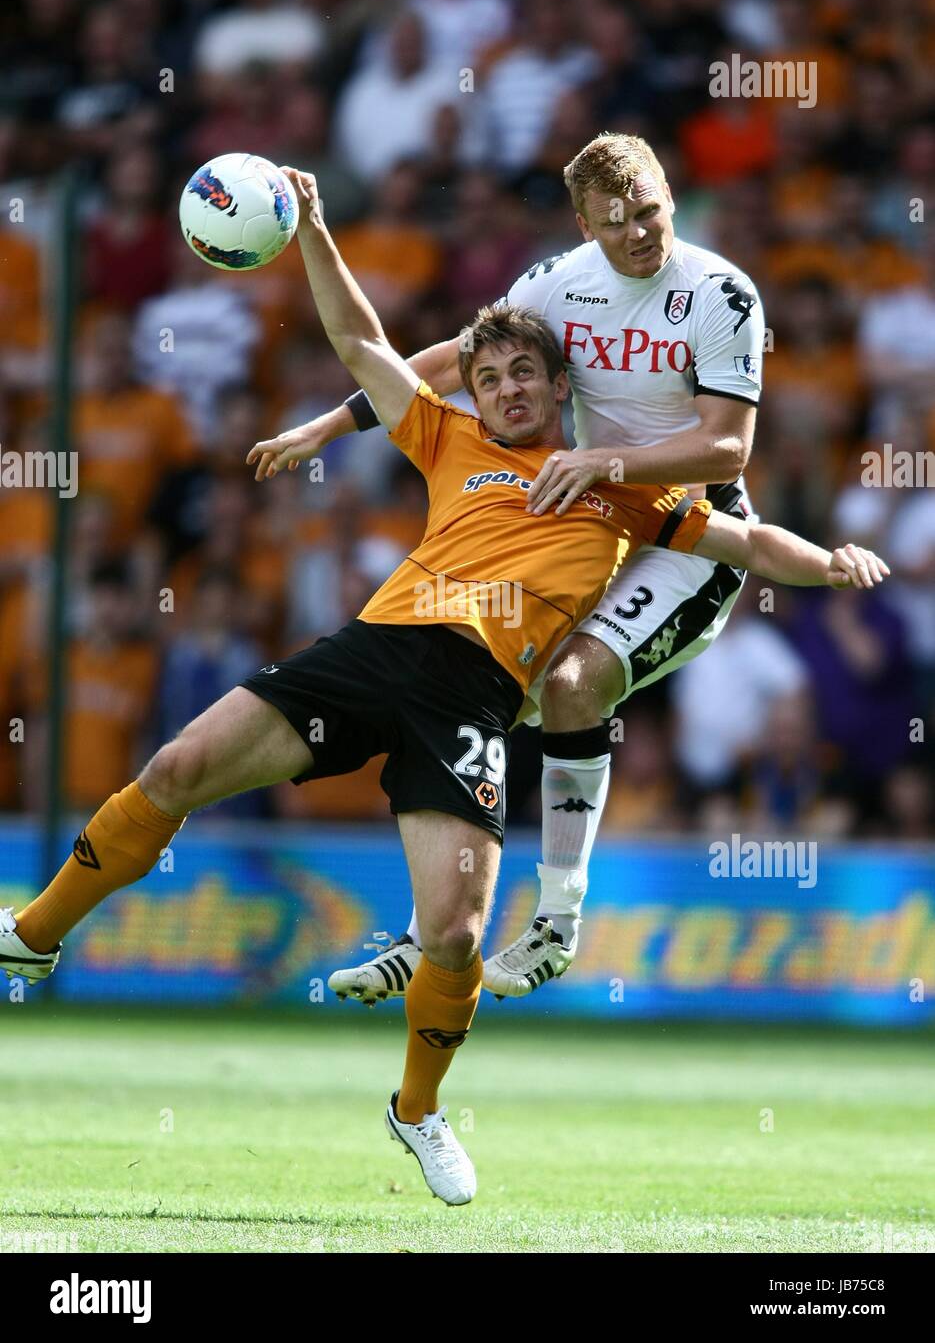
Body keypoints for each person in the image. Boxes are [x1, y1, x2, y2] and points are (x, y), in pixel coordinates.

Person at [0, 169, 887, 1206]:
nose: (507, 389)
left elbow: (742, 538)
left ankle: (416, 1109)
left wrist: (829, 561)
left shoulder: (616, 493)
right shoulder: (445, 433)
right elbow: (362, 344)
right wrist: (318, 232)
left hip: (467, 700)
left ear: (562, 391)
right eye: (492, 376)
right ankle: (31, 938)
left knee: (458, 935)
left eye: (526, 376)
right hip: (373, 649)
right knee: (179, 764)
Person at [250, 132, 768, 999]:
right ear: (583, 226)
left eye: (649, 211)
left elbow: (725, 446)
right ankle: (429, 935)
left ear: (668, 193)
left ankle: (557, 923)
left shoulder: (720, 292)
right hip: (584, 517)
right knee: (476, 676)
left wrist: (605, 464)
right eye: (617, 222)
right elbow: (452, 362)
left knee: (571, 686)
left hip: (685, 532)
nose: (640, 233)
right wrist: (327, 426)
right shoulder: (558, 283)